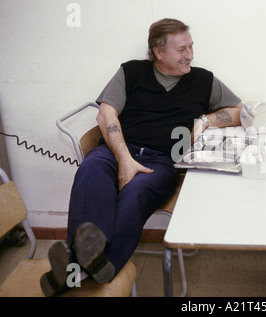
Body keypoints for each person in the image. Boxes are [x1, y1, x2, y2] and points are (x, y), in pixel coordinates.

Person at [40, 18, 242, 296]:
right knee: (89, 170)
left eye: (191, 47)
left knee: (134, 195)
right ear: (159, 52)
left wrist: (205, 121)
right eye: (182, 49)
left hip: (163, 161)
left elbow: (238, 110)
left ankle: (76, 271)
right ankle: (90, 266)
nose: (190, 55)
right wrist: (124, 159)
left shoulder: (203, 79)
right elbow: (105, 114)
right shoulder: (130, 72)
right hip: (115, 151)